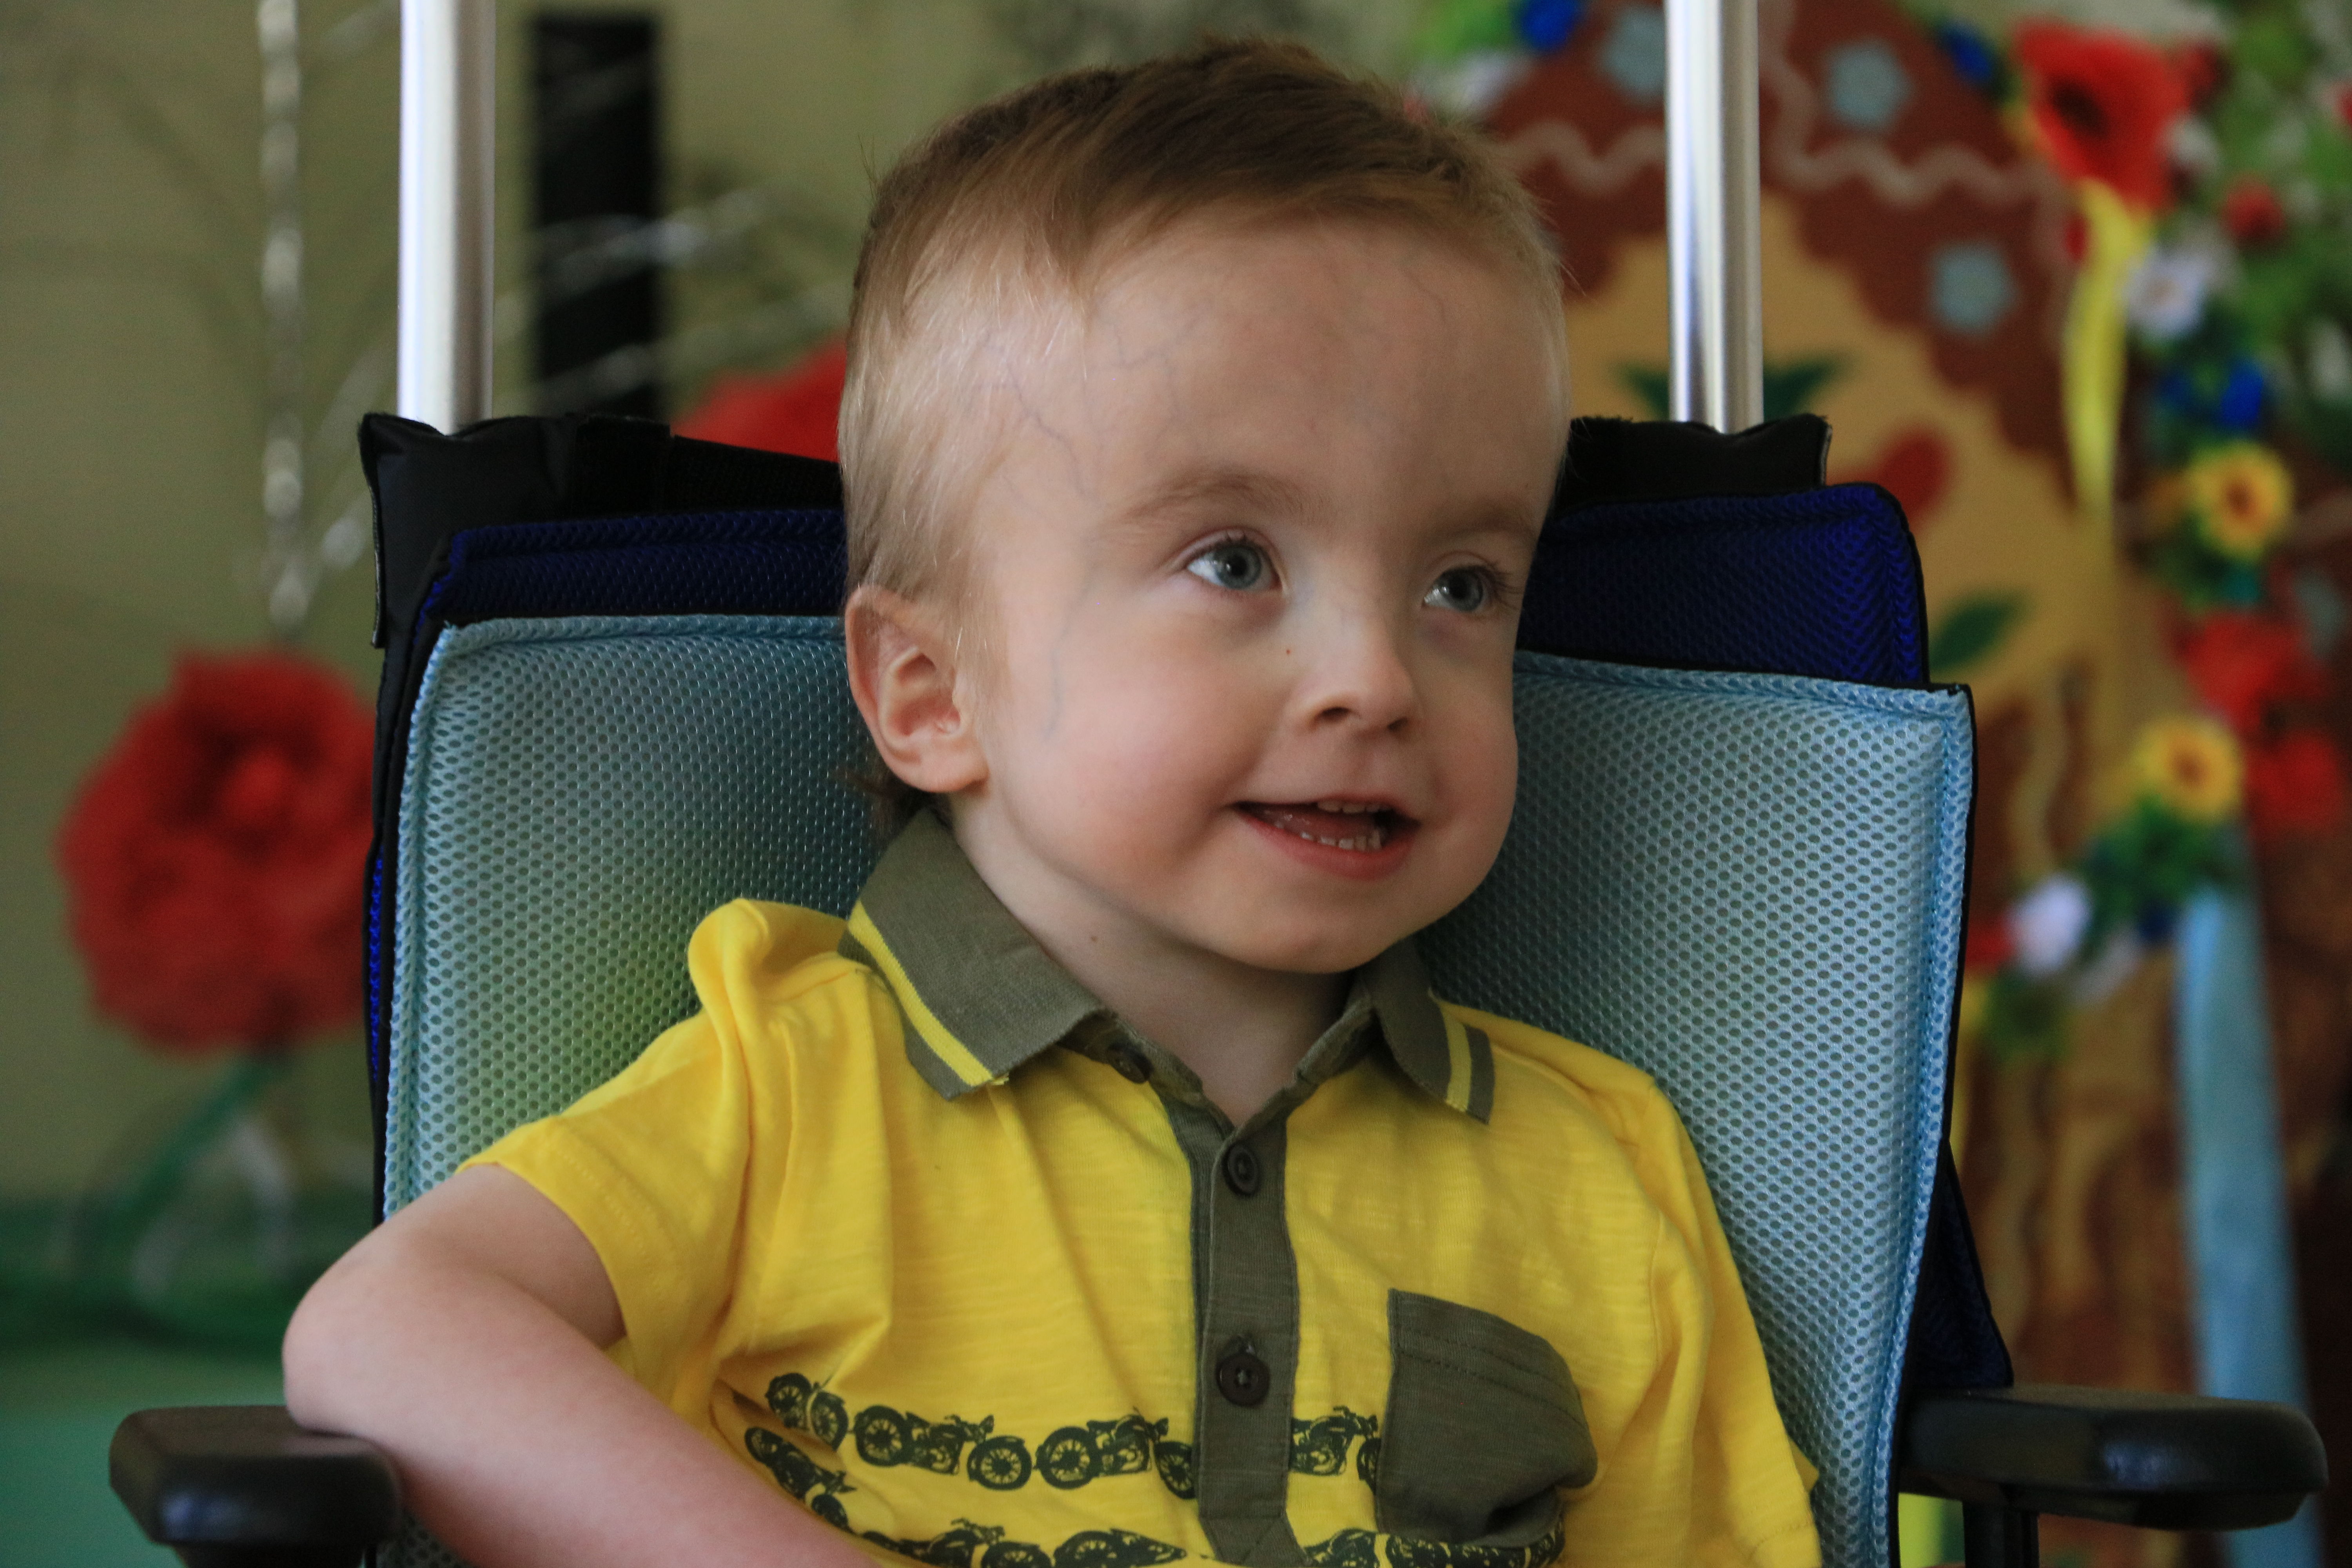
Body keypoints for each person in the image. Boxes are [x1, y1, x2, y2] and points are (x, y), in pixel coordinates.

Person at [285, 38, 1822, 1568]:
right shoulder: (790, 1090)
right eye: (1235, 561)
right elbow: (386, 1330)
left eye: (1463, 585)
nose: (1376, 677)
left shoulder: (1598, 1173)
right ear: (932, 692)